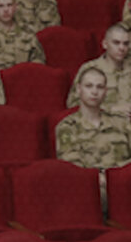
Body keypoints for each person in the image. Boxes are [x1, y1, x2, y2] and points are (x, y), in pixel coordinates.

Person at [55, 68, 131, 210]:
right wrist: (101, 179)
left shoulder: (122, 123)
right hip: (91, 190)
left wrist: (118, 180)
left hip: (125, 185)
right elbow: (72, 167)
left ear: (105, 91)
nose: (94, 92)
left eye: (100, 87)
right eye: (89, 86)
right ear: (79, 89)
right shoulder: (67, 127)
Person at [67, 24, 131, 115]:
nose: (121, 48)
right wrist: (111, 108)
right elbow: (74, 103)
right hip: (103, 119)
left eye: (126, 44)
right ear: (105, 44)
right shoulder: (90, 68)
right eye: (116, 43)